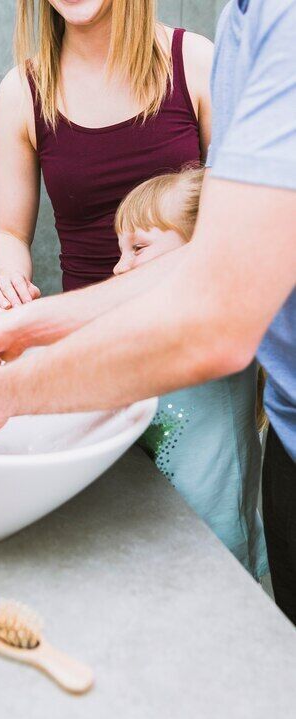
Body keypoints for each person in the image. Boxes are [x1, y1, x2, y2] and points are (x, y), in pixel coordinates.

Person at [0, 1, 296, 624]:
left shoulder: (205, 55)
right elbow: (211, 261)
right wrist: (18, 315)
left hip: (193, 357)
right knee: (120, 530)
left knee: (211, 532)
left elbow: (219, 280)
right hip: (107, 361)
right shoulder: (240, 24)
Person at [0, 0, 213, 310]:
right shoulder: (21, 91)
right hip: (84, 334)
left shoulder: (196, 61)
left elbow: (238, 216)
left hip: (189, 326)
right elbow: (8, 233)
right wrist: (11, 280)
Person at [113, 166, 267, 577]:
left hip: (217, 540)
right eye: (120, 251)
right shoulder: (146, 331)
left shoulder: (223, 324)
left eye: (138, 248)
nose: (119, 267)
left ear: (201, 248)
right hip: (159, 529)